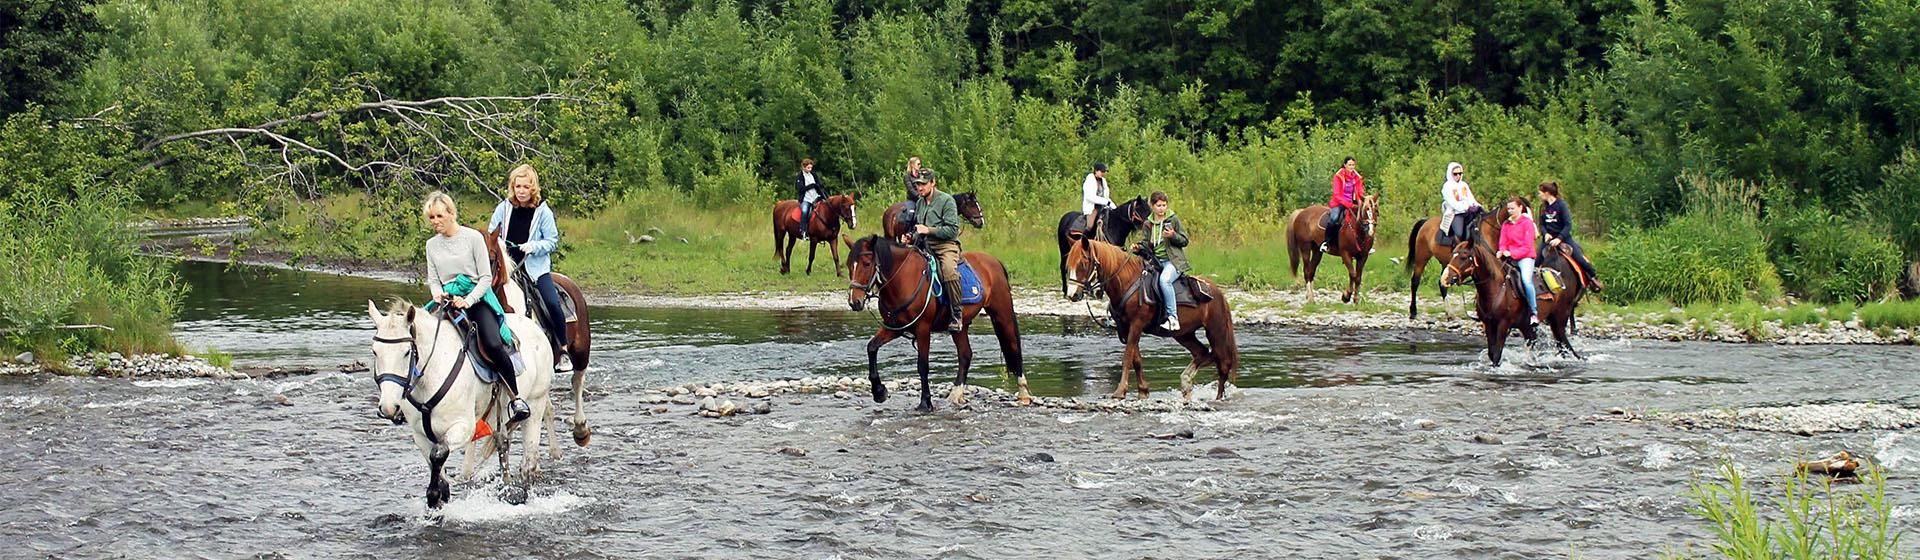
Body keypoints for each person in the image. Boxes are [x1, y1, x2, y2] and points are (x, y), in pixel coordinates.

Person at [423, 191, 529, 422]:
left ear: (452, 214)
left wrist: (468, 300)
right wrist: (437, 294)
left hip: (476, 298)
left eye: (439, 216)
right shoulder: (431, 245)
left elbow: (483, 278)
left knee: (492, 342)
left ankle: (515, 396)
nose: (435, 222)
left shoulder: (472, 239)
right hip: (447, 299)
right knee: (420, 337)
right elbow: (433, 279)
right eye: (431, 218)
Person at [487, 164, 569, 366]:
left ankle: (563, 348)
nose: (521, 191)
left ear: (533, 188)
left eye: (525, 187)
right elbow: (491, 235)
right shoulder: (503, 208)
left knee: (551, 302)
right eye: (517, 187)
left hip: (534, 269)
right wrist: (498, 245)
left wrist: (533, 246)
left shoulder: (543, 212)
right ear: (512, 188)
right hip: (507, 267)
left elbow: (552, 241)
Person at [908, 169, 966, 333]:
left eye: (923, 184)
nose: (919, 188)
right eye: (917, 184)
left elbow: (952, 230)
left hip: (945, 245)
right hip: (924, 245)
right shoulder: (920, 202)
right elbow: (919, 229)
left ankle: (956, 314)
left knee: (948, 271)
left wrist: (929, 230)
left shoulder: (946, 201)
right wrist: (911, 237)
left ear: (933, 183)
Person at [1536, 181, 1604, 292]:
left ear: (1547, 193)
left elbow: (1568, 225)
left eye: (1540, 193)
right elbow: (1542, 224)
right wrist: (1545, 234)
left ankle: (1593, 278)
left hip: (1563, 238)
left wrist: (1559, 238)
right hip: (1549, 239)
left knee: (1580, 259)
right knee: (1537, 261)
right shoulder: (1543, 207)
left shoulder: (1561, 205)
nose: (1539, 195)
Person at [1139, 191, 1190, 331]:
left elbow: (1185, 241)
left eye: (1164, 205)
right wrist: (1138, 247)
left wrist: (1173, 235)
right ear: (1152, 206)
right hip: (1155, 261)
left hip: (1173, 261)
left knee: (1164, 281)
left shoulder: (1173, 219)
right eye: (1158, 205)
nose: (1162, 208)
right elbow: (1145, 244)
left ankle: (1173, 318)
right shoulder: (1148, 224)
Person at [1497, 196, 1543, 326]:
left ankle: (1534, 312)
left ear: (1520, 208)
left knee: (1526, 280)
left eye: (1513, 208)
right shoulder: (1506, 224)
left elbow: (1527, 245)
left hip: (1525, 257)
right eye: (1508, 209)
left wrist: (1512, 253)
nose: (1510, 211)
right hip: (1508, 256)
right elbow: (1502, 241)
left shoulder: (1527, 223)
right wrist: (1501, 250)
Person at [1323, 156, 1366, 253]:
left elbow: (1360, 192)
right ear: (1345, 165)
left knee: (1365, 218)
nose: (1352, 167)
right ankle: (1327, 242)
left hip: (1353, 202)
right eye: (1350, 165)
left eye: (1353, 165)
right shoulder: (1338, 176)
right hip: (1339, 202)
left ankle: (1366, 245)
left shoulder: (1357, 177)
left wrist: (1361, 202)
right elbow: (1337, 194)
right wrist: (1348, 204)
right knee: (1334, 219)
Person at [1440, 162, 1482, 243]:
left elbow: (1470, 198)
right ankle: (1456, 251)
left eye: (1460, 173)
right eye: (1455, 174)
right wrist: (1466, 207)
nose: (1458, 176)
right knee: (1459, 233)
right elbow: (1452, 203)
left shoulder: (1464, 185)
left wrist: (1477, 206)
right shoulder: (1447, 186)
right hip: (1455, 213)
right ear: (1450, 174)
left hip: (1468, 211)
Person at [796, 158, 825, 241]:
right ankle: (803, 231)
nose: (810, 169)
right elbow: (800, 189)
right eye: (808, 168)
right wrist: (812, 185)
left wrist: (820, 187)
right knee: (805, 211)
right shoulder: (800, 176)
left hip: (816, 197)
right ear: (803, 167)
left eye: (811, 168)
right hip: (806, 199)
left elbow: (818, 183)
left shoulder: (813, 174)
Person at [1082, 162, 1112, 239]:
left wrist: (1114, 207)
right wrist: (1105, 201)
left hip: (1103, 206)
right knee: (1090, 225)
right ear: (1096, 171)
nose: (1103, 173)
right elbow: (1090, 197)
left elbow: (1106, 197)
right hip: (1093, 207)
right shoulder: (1089, 181)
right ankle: (1082, 241)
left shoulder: (1103, 181)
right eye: (1101, 171)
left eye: (1104, 172)